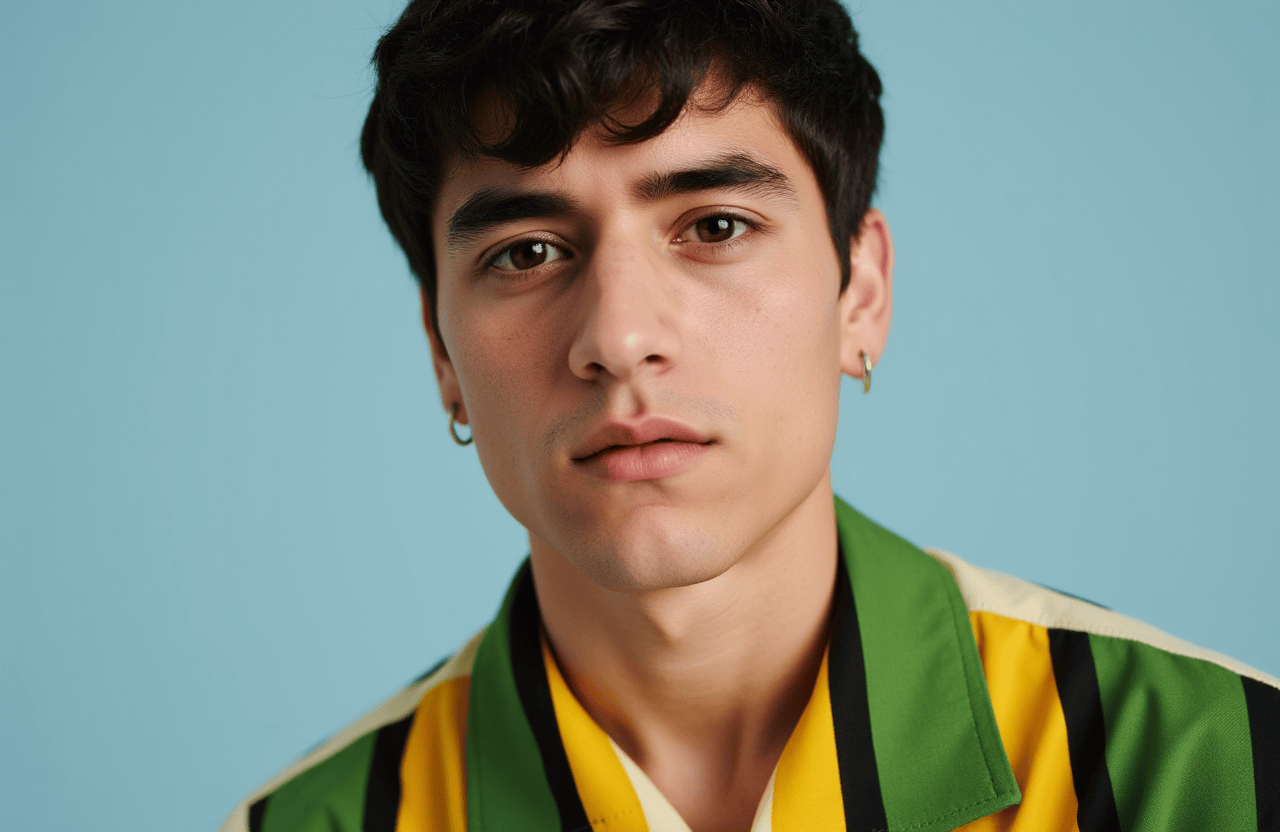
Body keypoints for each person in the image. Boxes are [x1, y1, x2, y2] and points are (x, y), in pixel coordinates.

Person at [221, 1, 1279, 829]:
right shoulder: (305, 824)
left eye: (714, 224)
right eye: (526, 252)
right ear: (441, 352)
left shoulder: (1214, 762)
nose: (619, 336)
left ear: (857, 291)